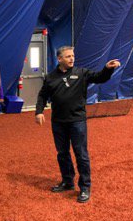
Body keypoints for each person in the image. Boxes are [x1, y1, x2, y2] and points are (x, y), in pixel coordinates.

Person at [35, 46, 120, 203]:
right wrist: (39, 111)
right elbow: (43, 95)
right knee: (62, 153)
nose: (72, 58)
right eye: (68, 56)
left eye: (72, 56)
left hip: (77, 121)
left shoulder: (82, 73)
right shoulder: (51, 77)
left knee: (81, 154)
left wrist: (107, 69)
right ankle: (67, 182)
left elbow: (100, 77)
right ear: (59, 59)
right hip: (58, 122)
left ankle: (85, 187)